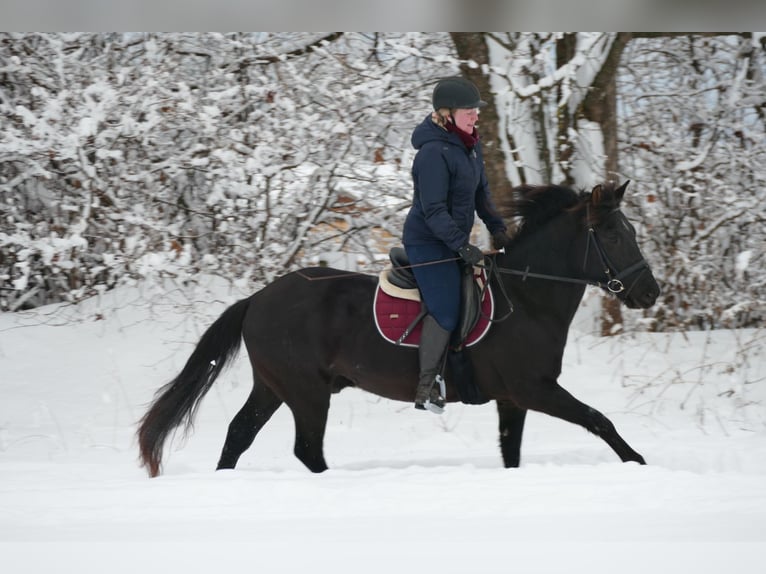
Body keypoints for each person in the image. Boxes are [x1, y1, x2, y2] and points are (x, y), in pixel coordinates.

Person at [403, 76, 512, 414]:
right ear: (447, 114)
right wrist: (460, 245)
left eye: (476, 111)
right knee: (448, 308)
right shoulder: (433, 153)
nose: (475, 116)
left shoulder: (471, 147)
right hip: (427, 241)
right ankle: (427, 385)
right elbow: (433, 209)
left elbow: (483, 195)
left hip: (452, 239)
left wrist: (499, 229)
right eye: (469, 111)